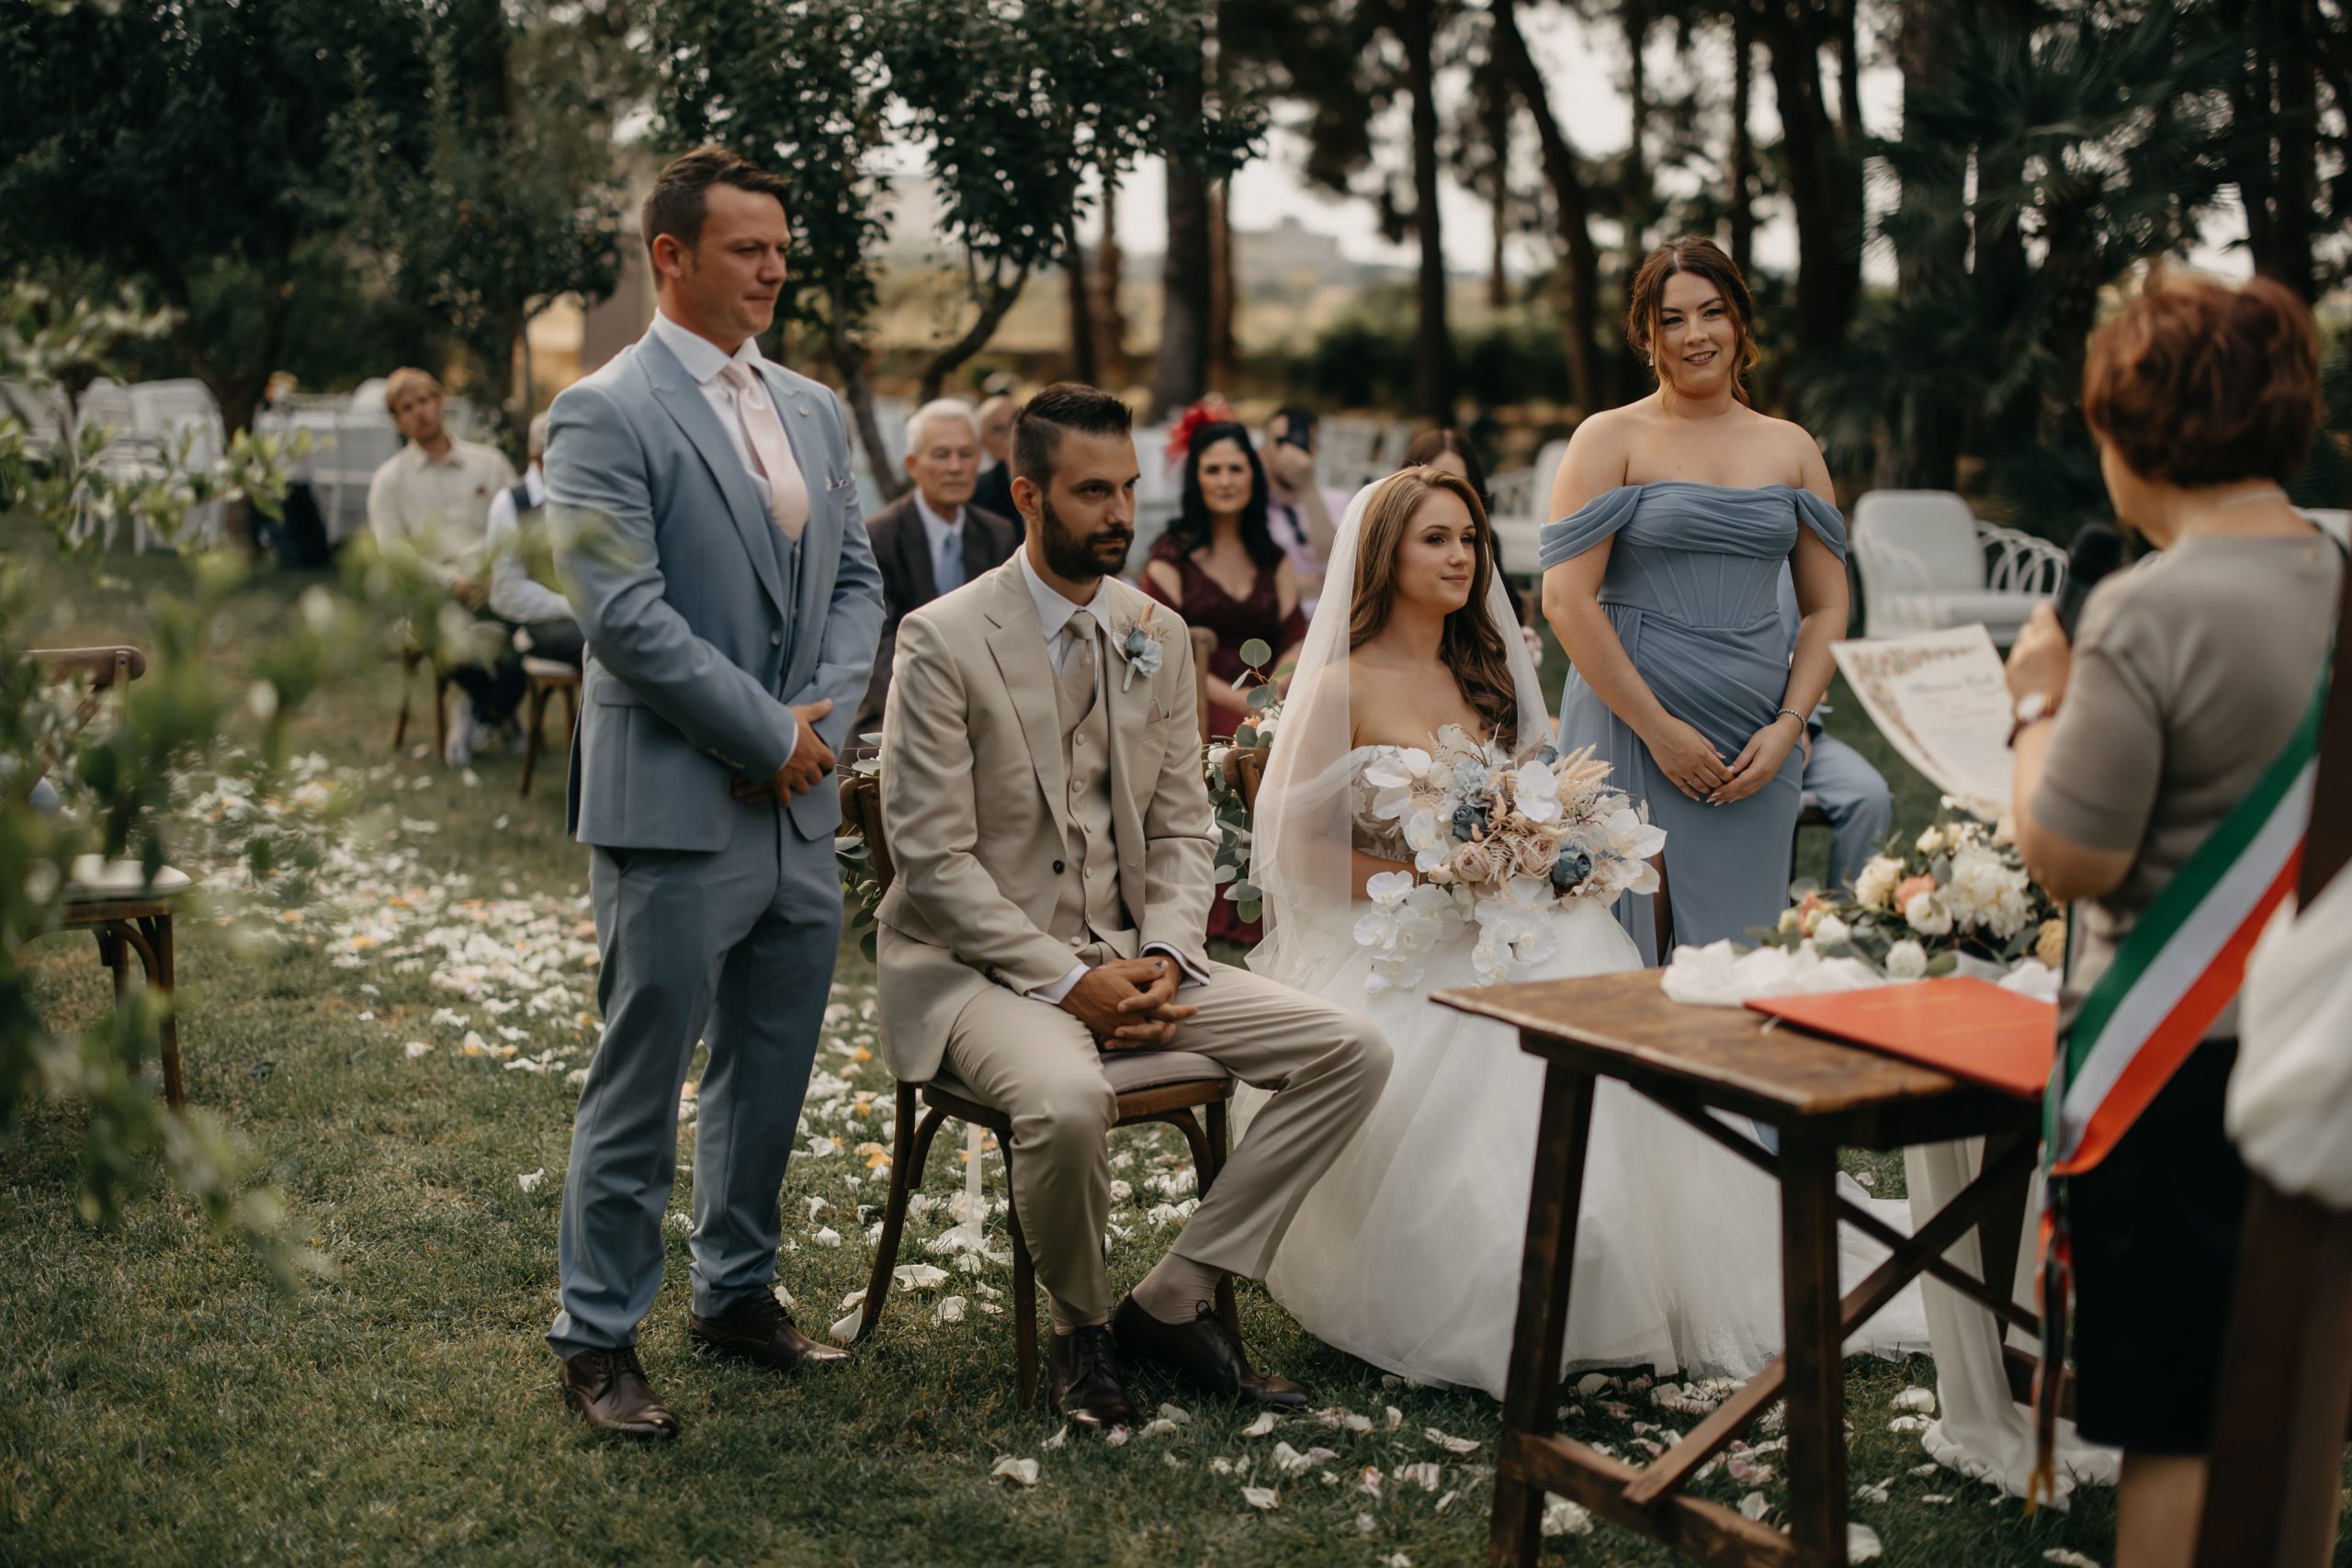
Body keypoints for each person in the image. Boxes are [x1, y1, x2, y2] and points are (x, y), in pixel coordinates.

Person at [1243, 466, 1926, 1395]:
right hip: (1402, 935)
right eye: (1435, 539)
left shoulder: (1482, 674)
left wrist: (1550, 848)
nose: (1462, 557)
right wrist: (1437, 880)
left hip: (1516, 921)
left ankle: (1632, 1268)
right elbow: (1297, 850)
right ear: (1381, 555)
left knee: (1581, 969)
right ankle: (1527, 1278)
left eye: (1470, 539)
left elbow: (1533, 798)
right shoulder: (1338, 686)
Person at [873, 383, 1391, 1437]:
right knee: (1066, 1102)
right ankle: (1082, 1333)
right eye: (1092, 492)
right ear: (1027, 494)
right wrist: (1073, 982)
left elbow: (1183, 827)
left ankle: (1172, 1298)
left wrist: (1164, 951)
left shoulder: (1153, 630)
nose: (1120, 513)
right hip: (980, 973)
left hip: (1137, 957)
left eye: (1127, 489)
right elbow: (932, 859)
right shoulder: (943, 639)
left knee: (1351, 1052)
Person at [542, 147, 885, 1440]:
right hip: (675, 805)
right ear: (670, 255)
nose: (775, 268)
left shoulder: (811, 408)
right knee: (641, 1080)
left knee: (769, 1070)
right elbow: (623, 614)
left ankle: (735, 1291)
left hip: (798, 806)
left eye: (781, 247)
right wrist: (761, 730)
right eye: (748, 247)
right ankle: (596, 1333)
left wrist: (816, 728)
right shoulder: (602, 412)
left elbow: (856, 582)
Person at [2005, 270, 2339, 1568]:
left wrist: (2037, 703)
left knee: (2181, 1429)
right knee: (2296, 1407)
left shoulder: (2147, 608)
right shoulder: (2340, 577)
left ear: (2135, 431)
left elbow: (2073, 856)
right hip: (2323, 1050)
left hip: (2178, 1070)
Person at [1541, 237, 1849, 963]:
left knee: (1741, 959)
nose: (1695, 334)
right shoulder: (1609, 438)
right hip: (1630, 722)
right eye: (1672, 319)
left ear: (1739, 320)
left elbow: (1827, 609)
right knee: (1627, 953)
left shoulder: (1793, 448)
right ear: (1647, 336)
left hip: (1754, 738)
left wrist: (1788, 726)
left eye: (1712, 312)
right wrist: (1658, 730)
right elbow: (1565, 599)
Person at [368, 366, 524, 764]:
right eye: (407, 407)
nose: (419, 412)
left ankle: (482, 709)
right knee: (438, 630)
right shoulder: (389, 480)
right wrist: (449, 581)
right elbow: (393, 551)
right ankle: (491, 708)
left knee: (534, 634)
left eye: (424, 400)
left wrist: (494, 571)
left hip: (494, 581)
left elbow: (520, 523)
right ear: (397, 420)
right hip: (433, 592)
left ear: (440, 402)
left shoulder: (489, 464)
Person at [853, 398, 1021, 739]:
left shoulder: (997, 534)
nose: (956, 467)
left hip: (982, 707)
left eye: (966, 454)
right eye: (942, 455)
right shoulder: (878, 537)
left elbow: (1007, 631)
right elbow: (875, 645)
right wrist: (936, 710)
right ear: (913, 465)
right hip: (898, 705)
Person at [1141, 416, 1307, 738]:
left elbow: (1296, 638)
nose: (1226, 481)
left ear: (1252, 474)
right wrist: (1237, 701)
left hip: (1272, 703)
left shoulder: (1272, 557)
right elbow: (1163, 651)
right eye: (1213, 470)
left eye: (1236, 468)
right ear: (1196, 479)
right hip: (1196, 702)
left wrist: (1269, 696)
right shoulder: (1170, 559)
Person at [1775, 570, 1891, 891]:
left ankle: (1848, 914)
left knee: (1869, 795)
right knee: (1776, 802)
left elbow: (1808, 651)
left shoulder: (1789, 563)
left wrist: (1802, 723)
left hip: (1798, 724)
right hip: (1726, 735)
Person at [482, 411, 585, 670]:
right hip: (540, 621)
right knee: (600, 645)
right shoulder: (511, 504)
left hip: (592, 614)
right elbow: (506, 590)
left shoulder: (588, 496)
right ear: (538, 458)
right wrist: (569, 606)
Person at [1262, 407, 1348, 605]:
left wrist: (1307, 486)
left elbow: (1333, 560)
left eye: (1301, 441)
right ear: (1264, 449)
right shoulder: (1252, 505)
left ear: (1314, 448)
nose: (1290, 451)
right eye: (1281, 442)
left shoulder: (1341, 501)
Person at [969, 392, 1019, 531]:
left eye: (1015, 424)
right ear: (982, 440)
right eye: (998, 429)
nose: (1011, 434)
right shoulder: (976, 491)